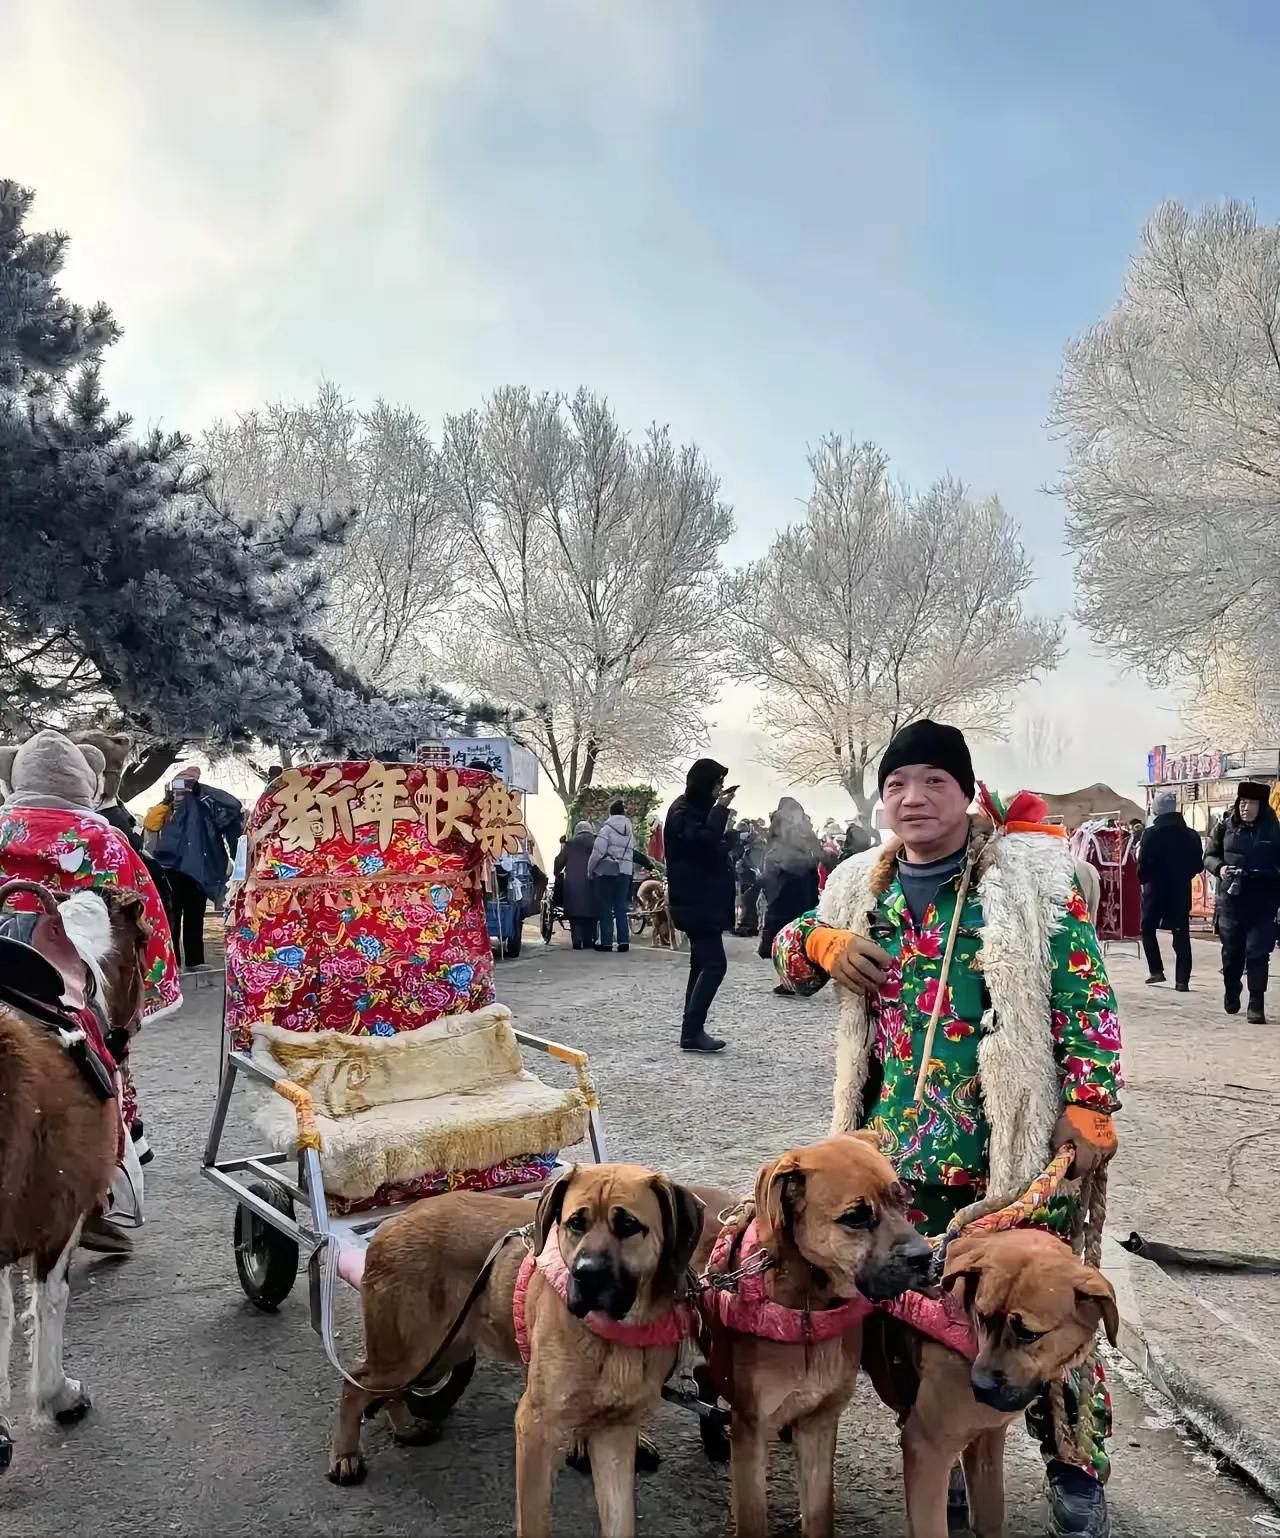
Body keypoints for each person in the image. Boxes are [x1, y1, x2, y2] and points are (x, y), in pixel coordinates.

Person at [773, 720, 1120, 1538]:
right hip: (896, 1166)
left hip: (1013, 1156)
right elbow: (786, 951)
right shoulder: (861, 884)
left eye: (934, 781)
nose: (914, 797)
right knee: (923, 1326)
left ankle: (1077, 1469)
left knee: (1047, 1318)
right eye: (898, 785)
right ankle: (945, 1447)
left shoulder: (1033, 882)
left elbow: (1085, 996)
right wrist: (820, 941)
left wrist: (1092, 1101)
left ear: (966, 793)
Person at [0, 728, 182, 1250]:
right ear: (85, 781)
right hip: (73, 991)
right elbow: (141, 920)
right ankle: (97, 1200)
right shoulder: (103, 841)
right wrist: (148, 996)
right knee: (99, 1080)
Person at [664, 758, 737, 1053]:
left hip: (703, 901)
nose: (719, 790)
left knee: (701, 965)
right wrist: (720, 811)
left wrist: (727, 837)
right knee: (715, 965)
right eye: (717, 784)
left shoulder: (694, 810)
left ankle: (691, 1031)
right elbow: (700, 844)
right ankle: (692, 1030)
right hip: (696, 902)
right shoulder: (682, 811)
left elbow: (709, 845)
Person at [146, 767, 243, 969]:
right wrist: (167, 802)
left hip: (196, 869)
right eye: (178, 785)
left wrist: (199, 790)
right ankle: (172, 963)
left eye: (186, 784)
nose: (181, 791)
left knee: (194, 916)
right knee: (171, 918)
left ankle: (195, 960)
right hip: (170, 870)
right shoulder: (164, 809)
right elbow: (151, 825)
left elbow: (231, 805)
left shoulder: (203, 808)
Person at [1204, 782, 1280, 1023]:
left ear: (1261, 806)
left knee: (1258, 953)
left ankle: (1256, 1003)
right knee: (1232, 953)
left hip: (1263, 901)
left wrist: (1264, 873)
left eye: (1252, 803)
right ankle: (1232, 988)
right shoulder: (1225, 826)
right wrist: (1222, 868)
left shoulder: (1274, 831)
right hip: (1231, 902)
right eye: (1243, 802)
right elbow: (1208, 856)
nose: (1246, 808)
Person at [1137, 792, 1203, 991]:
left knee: (1147, 928)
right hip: (1180, 889)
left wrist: (1145, 880)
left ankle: (1156, 970)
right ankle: (1182, 980)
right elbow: (1198, 865)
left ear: (1158, 809)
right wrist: (1183, 876)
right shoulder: (1191, 834)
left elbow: (1143, 864)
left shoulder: (1150, 834)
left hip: (1154, 890)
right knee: (1181, 933)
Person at [757, 796, 823, 967]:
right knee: (795, 933)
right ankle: (794, 970)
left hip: (787, 890)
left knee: (786, 933)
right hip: (799, 888)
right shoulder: (800, 829)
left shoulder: (785, 829)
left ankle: (792, 972)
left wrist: (761, 880)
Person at [587, 800, 656, 953]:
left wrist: (590, 870)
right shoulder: (630, 832)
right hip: (625, 873)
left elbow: (597, 853)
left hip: (607, 873)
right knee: (621, 908)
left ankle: (606, 943)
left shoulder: (606, 830)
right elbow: (633, 853)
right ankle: (623, 942)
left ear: (610, 813)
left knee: (606, 908)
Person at [554, 821, 600, 950]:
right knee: (592, 915)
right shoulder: (597, 842)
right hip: (593, 883)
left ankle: (577, 940)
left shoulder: (570, 844)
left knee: (576, 916)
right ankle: (589, 940)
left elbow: (559, 862)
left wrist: (557, 873)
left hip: (573, 886)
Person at [732, 821, 766, 936]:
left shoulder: (757, 848)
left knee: (749, 900)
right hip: (745, 877)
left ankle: (748, 926)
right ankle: (746, 924)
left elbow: (755, 865)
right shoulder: (747, 847)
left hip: (751, 878)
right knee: (745, 901)